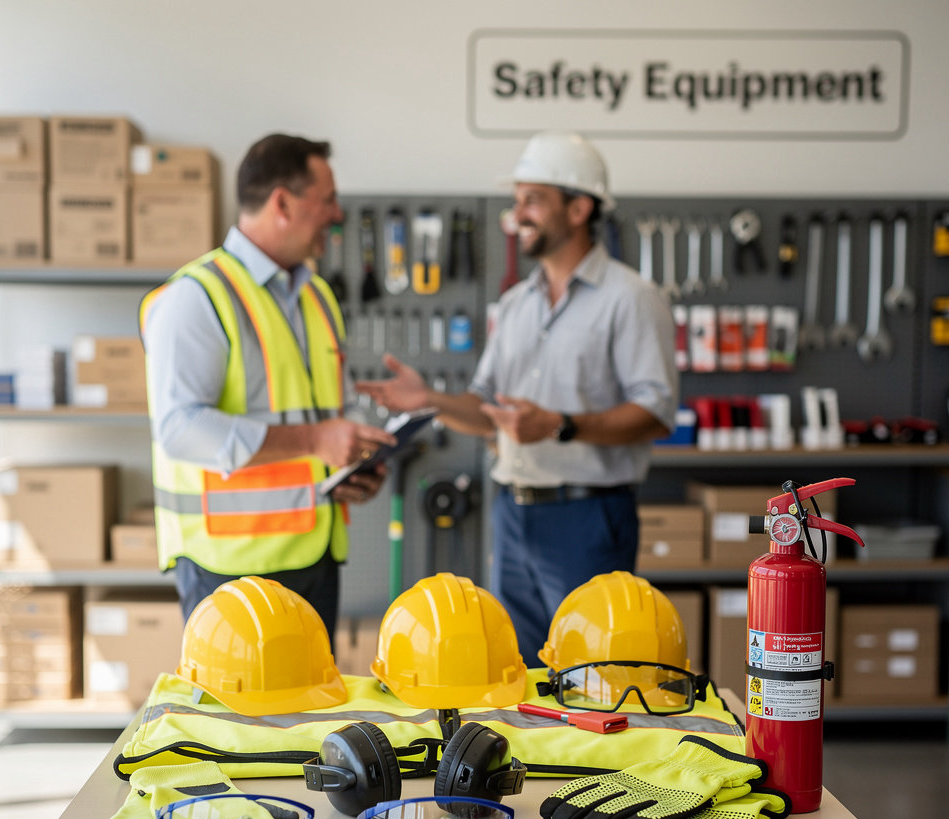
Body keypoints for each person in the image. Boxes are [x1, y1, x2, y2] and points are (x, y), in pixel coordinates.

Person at [357, 131, 677, 667]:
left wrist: (560, 425)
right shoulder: (514, 305)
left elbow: (655, 413)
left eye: (533, 200)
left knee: (593, 675)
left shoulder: (632, 299)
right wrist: (430, 399)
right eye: (517, 199)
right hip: (512, 515)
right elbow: (488, 413)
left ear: (578, 208)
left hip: (587, 515)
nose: (518, 213)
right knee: (521, 675)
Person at [141, 133, 396, 637]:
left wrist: (355, 461)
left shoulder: (317, 296)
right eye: (326, 201)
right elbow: (180, 428)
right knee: (238, 719)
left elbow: (333, 412)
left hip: (314, 557)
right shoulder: (198, 297)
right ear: (282, 203)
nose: (336, 214)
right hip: (228, 571)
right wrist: (316, 441)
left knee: (311, 715)